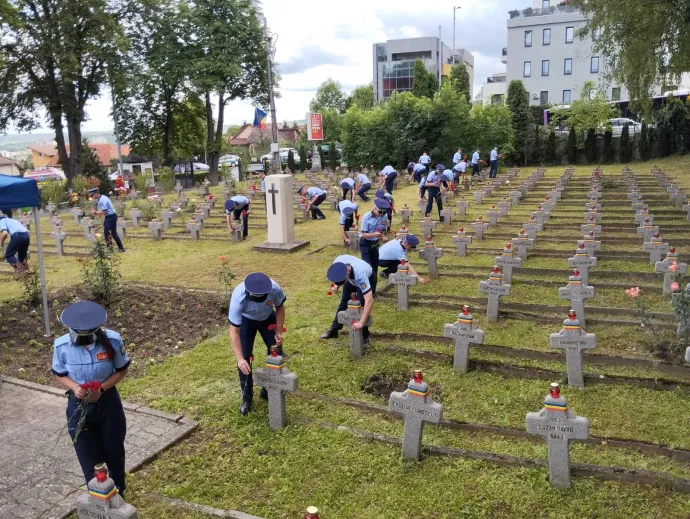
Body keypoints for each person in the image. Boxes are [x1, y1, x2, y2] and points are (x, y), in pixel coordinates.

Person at [52, 301, 130, 494]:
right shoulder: (61, 345)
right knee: (87, 453)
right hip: (78, 407)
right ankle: (97, 493)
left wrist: (101, 389)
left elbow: (122, 370)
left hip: (108, 404)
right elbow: (59, 373)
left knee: (113, 449)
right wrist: (76, 388)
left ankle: (117, 490)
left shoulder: (112, 340)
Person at [228, 272, 287, 415]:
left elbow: (280, 308)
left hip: (267, 318)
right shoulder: (239, 297)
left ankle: (268, 388)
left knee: (276, 351)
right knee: (245, 356)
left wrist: (278, 331)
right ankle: (246, 398)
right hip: (247, 321)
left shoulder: (274, 288)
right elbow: (234, 332)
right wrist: (240, 359)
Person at [320, 255, 374, 342]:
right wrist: (336, 284)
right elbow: (337, 273)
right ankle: (334, 330)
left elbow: (369, 300)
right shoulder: (338, 262)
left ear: (347, 274)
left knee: (361, 305)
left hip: (368, 277)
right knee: (344, 302)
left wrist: (361, 322)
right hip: (351, 278)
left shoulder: (361, 275)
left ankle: (364, 335)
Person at [359, 198, 390, 296]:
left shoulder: (384, 217)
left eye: (383, 212)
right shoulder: (366, 217)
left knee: (375, 269)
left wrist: (382, 236)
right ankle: (364, 291)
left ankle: (373, 292)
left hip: (375, 245)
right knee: (368, 269)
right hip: (365, 244)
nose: (381, 214)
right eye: (380, 212)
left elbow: (382, 230)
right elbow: (363, 234)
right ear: (375, 208)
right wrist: (373, 234)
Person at [88, 188, 125, 253]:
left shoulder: (103, 199)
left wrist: (94, 212)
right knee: (113, 233)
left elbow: (103, 212)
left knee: (106, 233)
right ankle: (121, 248)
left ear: (96, 193)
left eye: (92, 195)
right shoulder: (100, 199)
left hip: (110, 217)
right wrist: (96, 213)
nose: (92, 197)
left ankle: (110, 250)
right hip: (110, 216)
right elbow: (101, 213)